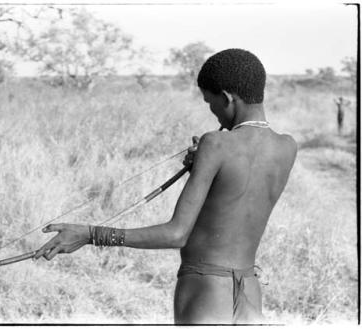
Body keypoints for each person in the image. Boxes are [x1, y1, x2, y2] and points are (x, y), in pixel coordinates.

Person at [33, 49, 297, 324]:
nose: (213, 113)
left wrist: (90, 235)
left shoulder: (216, 144)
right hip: (250, 291)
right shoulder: (287, 146)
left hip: (206, 289)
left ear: (228, 98)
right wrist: (204, 164)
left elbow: (175, 235)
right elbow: (236, 195)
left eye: (210, 102)